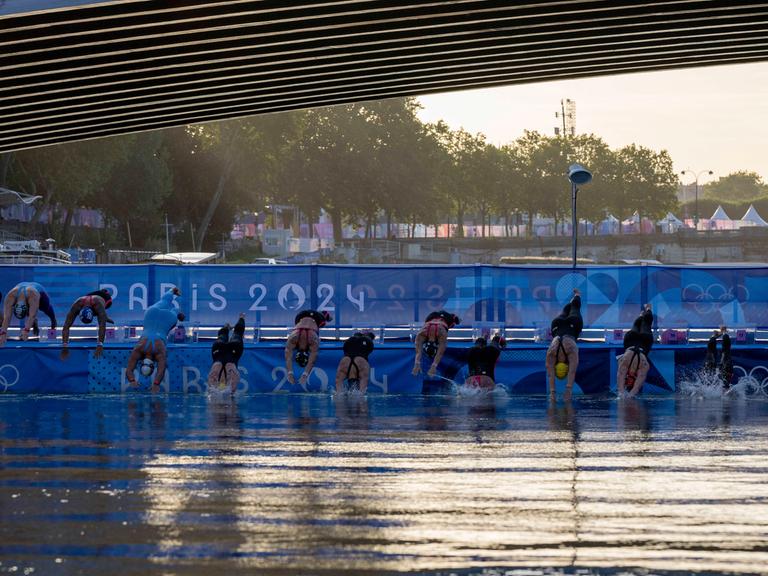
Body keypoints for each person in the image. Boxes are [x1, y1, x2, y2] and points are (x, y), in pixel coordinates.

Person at [125, 287, 184, 388]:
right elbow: (129, 371)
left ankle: (177, 312)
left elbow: (161, 370)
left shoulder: (159, 354)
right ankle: (171, 291)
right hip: (151, 314)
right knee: (164, 301)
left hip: (168, 318)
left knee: (175, 316)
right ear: (142, 363)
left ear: (153, 366)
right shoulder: (138, 349)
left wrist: (156, 384)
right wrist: (132, 380)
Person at [546, 289, 582, 401]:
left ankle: (576, 296)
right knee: (565, 311)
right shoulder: (551, 353)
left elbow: (572, 371)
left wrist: (568, 390)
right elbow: (551, 375)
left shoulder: (570, 352)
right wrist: (552, 393)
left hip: (572, 326)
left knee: (575, 309)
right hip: (557, 324)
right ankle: (575, 297)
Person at [60, 289, 114, 359]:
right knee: (101, 315)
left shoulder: (98, 305)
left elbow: (102, 326)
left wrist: (100, 344)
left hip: (104, 298)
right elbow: (66, 326)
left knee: (101, 318)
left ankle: (104, 316)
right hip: (89, 298)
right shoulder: (77, 305)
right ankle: (103, 316)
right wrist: (64, 346)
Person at [285, 309, 331, 386]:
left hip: (316, 319)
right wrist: (290, 373)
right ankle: (324, 314)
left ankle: (325, 315)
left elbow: (312, 362)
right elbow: (288, 358)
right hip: (300, 316)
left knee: (324, 322)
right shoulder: (293, 338)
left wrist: (304, 375)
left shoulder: (312, 341)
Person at [617, 304, 654, 397]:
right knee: (646, 323)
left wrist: (623, 395)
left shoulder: (623, 362)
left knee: (640, 324)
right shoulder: (644, 366)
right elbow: (635, 389)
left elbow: (622, 390)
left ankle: (643, 314)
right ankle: (647, 310)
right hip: (643, 341)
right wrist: (627, 395)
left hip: (631, 340)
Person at [412, 310, 460, 378]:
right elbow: (418, 352)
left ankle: (454, 317)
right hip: (432, 318)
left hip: (440, 320)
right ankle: (452, 317)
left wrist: (432, 367)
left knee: (456, 320)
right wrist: (417, 364)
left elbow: (439, 354)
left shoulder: (441, 334)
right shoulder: (421, 334)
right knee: (456, 320)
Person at [207, 313, 246, 394]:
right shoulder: (216, 385)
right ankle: (227, 327)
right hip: (219, 351)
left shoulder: (226, 386)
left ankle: (241, 318)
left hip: (231, 353)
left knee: (237, 334)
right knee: (223, 336)